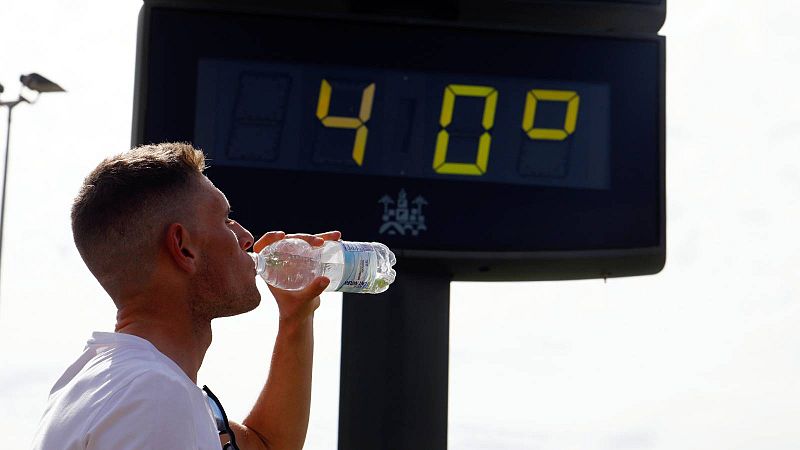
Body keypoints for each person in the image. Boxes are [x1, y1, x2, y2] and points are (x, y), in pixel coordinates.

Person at [31, 142, 338, 450]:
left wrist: (296, 318)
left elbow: (266, 445)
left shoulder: (100, 383)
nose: (247, 237)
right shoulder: (155, 395)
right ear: (183, 247)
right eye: (226, 220)